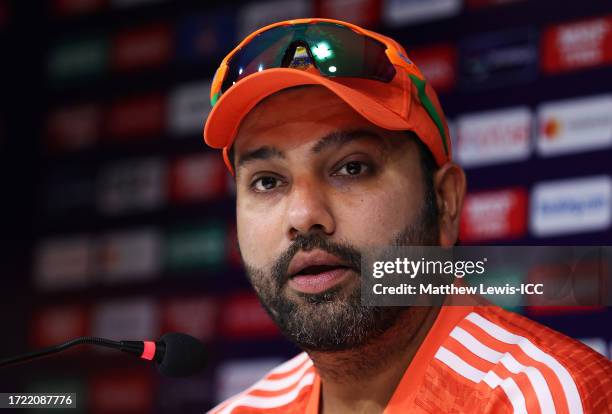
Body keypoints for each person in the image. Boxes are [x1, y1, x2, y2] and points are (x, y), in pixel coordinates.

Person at [202, 18, 611, 414]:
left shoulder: (546, 401)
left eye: (352, 168)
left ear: (445, 202)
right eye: (268, 182)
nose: (305, 215)